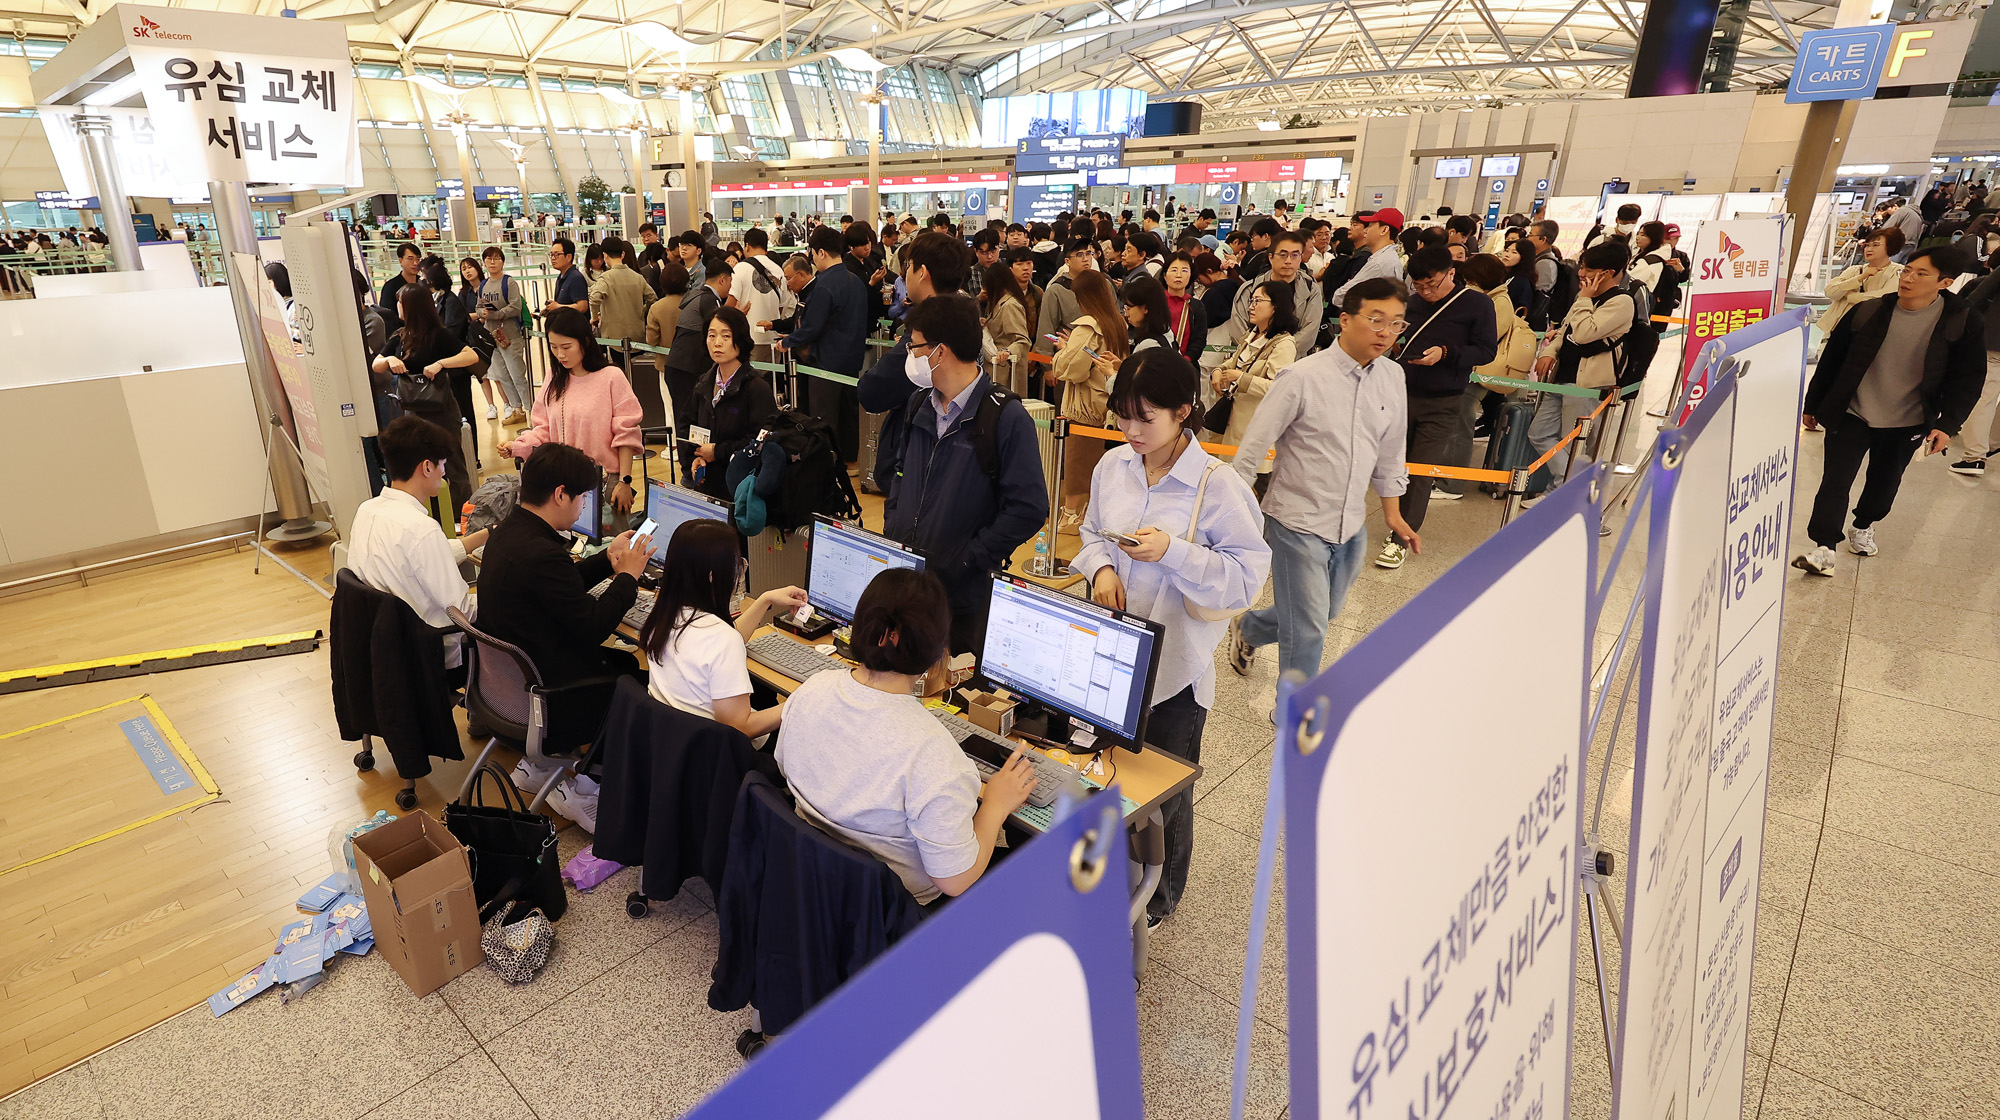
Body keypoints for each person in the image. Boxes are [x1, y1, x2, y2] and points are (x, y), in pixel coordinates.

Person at [1073, 349, 1270, 924]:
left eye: (1147, 417)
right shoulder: (1114, 468)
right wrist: (1102, 568)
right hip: (1109, 648)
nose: (1132, 431)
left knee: (1166, 786)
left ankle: (1160, 894)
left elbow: (1246, 579)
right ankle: (1109, 865)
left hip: (1175, 665)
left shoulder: (1217, 486)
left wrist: (1173, 551)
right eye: (1124, 416)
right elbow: (1090, 532)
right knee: (1105, 762)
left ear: (1183, 412)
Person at [774, 568, 1036, 906]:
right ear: (937, 649)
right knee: (1018, 844)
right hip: (893, 912)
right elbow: (955, 881)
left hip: (810, 884)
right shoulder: (933, 754)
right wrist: (997, 804)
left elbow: (784, 766)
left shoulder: (813, 688)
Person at [1226, 278, 1419, 684]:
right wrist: (1234, 519)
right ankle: (1292, 713)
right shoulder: (1301, 377)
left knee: (1323, 612)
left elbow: (1391, 450)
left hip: (1350, 525)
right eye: (1376, 320)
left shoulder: (1392, 377)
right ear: (1345, 320)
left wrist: (1394, 515)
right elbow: (1252, 448)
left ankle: (1250, 629)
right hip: (1296, 520)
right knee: (1311, 627)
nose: (1386, 332)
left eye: (1397, 323)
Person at [1794, 247, 1986, 574]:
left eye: (1921, 274)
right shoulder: (1868, 312)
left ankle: (1864, 523)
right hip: (1852, 413)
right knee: (1834, 482)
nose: (1908, 278)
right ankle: (1824, 548)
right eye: (1907, 270)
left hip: (1907, 420)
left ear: (1945, 282)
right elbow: (1831, 363)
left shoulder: (1962, 321)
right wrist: (1813, 405)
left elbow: (1968, 378)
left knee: (1884, 483)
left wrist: (1948, 424)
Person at [880, 293, 1049, 654]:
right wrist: (893, 524)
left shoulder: (1004, 417)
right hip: (908, 583)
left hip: (963, 598)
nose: (910, 356)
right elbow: (899, 472)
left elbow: (1029, 507)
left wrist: (970, 558)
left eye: (915, 346)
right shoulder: (917, 405)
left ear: (940, 351)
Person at [477, 442, 652, 689]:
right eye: (583, 497)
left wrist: (607, 558)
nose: (583, 505)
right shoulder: (543, 554)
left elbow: (561, 584)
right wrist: (628, 577)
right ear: (560, 495)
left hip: (517, 677)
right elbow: (594, 627)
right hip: (554, 687)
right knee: (646, 683)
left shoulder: (508, 532)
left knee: (627, 664)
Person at [1375, 246, 1497, 570]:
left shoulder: (1476, 304)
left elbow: (1486, 350)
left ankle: (1401, 538)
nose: (1426, 291)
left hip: (1444, 400)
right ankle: (1396, 519)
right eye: (1419, 285)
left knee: (1419, 470)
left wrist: (1445, 353)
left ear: (1451, 273)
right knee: (1395, 466)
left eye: (1432, 284)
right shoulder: (1412, 303)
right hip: (1402, 396)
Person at [345, 416, 489, 670]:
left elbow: (417, 561)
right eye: (442, 464)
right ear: (427, 467)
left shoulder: (368, 511)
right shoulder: (422, 530)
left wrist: (481, 536)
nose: (444, 472)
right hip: (434, 655)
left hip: (389, 649)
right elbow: (462, 613)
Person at [639, 518, 803, 740]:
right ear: (712, 576)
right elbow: (740, 728)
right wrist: (801, 699)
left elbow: (723, 639)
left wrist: (765, 599)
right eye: (736, 565)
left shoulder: (665, 615)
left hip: (675, 744)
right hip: (716, 757)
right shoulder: (721, 639)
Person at [500, 308, 644, 517]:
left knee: (609, 545)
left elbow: (627, 434)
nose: (560, 354)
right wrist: (517, 447)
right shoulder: (554, 377)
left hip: (604, 482)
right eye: (553, 347)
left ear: (585, 341)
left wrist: (625, 481)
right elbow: (544, 430)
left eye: (566, 347)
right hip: (562, 485)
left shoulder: (611, 377)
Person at [1529, 240, 1636, 484]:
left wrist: (1584, 300)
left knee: (1574, 441)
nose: (1580, 273)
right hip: (1560, 378)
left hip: (1585, 384)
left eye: (1587, 269)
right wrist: (1549, 351)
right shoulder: (1584, 298)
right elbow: (1565, 332)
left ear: (1607, 273)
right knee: (1539, 434)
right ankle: (1563, 487)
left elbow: (1584, 333)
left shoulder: (1621, 301)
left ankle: (1562, 492)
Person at [373, 285, 480, 506]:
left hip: (441, 410)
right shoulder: (400, 336)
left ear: (412, 306)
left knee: (451, 463)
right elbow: (377, 365)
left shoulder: (438, 335)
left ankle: (463, 511)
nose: (397, 307)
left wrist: (441, 363)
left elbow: (471, 356)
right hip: (413, 410)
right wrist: (390, 360)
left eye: (400, 302)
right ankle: (429, 511)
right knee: (418, 463)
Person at [778, 227, 870, 462]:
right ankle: (850, 460)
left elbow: (812, 327)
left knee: (824, 417)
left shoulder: (823, 284)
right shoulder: (857, 281)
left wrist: (788, 342)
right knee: (849, 415)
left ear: (820, 252)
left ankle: (826, 463)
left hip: (826, 363)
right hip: (852, 361)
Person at [1053, 270, 1129, 524]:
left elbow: (1070, 368)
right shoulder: (1117, 321)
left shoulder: (1088, 326)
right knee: (1101, 465)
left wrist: (1062, 353)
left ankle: (1070, 514)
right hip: (1108, 401)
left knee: (1076, 461)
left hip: (1085, 406)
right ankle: (1089, 513)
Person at [682, 306, 780, 502]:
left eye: (726, 336)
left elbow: (761, 440)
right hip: (706, 483)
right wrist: (694, 458)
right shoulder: (704, 382)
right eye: (711, 335)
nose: (717, 343)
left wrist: (717, 451)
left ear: (741, 339)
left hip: (741, 489)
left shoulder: (756, 388)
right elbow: (686, 424)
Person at [1210, 280, 1300, 485]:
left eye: (1258, 300)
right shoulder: (1250, 336)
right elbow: (1231, 364)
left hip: (1257, 430)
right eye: (1251, 300)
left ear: (1276, 306)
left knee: (1253, 493)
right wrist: (1217, 372)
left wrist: (1241, 379)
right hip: (1232, 426)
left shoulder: (1283, 344)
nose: (1251, 306)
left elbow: (1279, 388)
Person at [663, 249, 734, 441]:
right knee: (689, 417)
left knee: (684, 415)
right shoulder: (709, 300)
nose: (730, 288)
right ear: (722, 280)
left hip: (678, 366)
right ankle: (690, 462)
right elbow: (718, 331)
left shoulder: (695, 295)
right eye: (730, 282)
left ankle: (689, 459)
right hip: (687, 367)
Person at [1229, 228, 1322, 355]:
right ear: (1271, 257)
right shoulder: (1250, 289)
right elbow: (1238, 329)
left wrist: (1281, 353)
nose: (1288, 261)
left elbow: (1309, 330)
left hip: (1293, 360)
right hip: (1251, 359)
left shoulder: (1311, 290)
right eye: (1283, 255)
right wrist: (1260, 353)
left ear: (1301, 258)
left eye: (1295, 255)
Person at [1950, 263, 2000, 475]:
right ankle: (1994, 442)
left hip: (1997, 342)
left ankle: (1975, 456)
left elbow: (1980, 293)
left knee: (1984, 395)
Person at [474, 246, 533, 427]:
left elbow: (515, 307)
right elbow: (477, 307)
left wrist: (495, 314)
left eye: (496, 258)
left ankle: (533, 411)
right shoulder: (483, 285)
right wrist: (483, 313)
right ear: (483, 262)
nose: (492, 262)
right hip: (492, 338)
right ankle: (517, 410)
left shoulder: (509, 283)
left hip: (511, 336)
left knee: (517, 375)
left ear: (502, 261)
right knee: (503, 376)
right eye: (489, 259)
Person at [1819, 228, 1906, 336]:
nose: (1869, 249)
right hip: (1836, 328)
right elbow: (1830, 292)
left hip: (1869, 331)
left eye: (1875, 245)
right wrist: (1860, 278)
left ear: (1890, 247)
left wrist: (1850, 296)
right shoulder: (1854, 270)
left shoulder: (1898, 271)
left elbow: (1884, 298)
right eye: (1867, 245)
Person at [1031, 238, 1102, 359]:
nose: (1085, 259)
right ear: (1067, 261)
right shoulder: (1057, 290)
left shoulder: (1103, 284)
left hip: (1100, 354)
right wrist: (1047, 364)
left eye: (1088, 253)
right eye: (1079, 255)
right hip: (1068, 357)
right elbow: (1046, 328)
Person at [732, 227, 791, 365]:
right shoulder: (778, 269)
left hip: (748, 338)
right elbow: (782, 306)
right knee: (772, 382)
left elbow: (731, 303)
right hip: (773, 339)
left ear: (747, 246)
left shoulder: (740, 268)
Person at [588, 237, 656, 353]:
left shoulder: (606, 277)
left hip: (614, 337)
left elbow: (594, 299)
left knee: (619, 369)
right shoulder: (637, 277)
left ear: (605, 255)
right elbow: (652, 298)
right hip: (637, 335)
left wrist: (595, 317)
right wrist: (643, 311)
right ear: (622, 254)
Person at [1332, 209, 1407, 307]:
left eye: (1370, 226)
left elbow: (1340, 297)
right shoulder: (1388, 257)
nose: (1365, 230)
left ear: (1384, 230)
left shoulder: (1379, 263)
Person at [982, 261, 1033, 396]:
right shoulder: (997, 303)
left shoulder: (1010, 305)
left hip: (1007, 373)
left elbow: (1022, 340)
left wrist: (1007, 351)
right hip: (996, 369)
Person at [1160, 251, 1210, 366]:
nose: (1179, 275)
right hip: (1157, 365)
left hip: (1186, 366)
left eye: (1184, 270)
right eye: (1174, 270)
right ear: (1164, 275)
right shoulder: (1156, 302)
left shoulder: (1196, 306)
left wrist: (1185, 360)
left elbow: (1199, 339)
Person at [378, 242, 423, 336]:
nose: (415, 263)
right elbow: (388, 317)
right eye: (410, 259)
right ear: (400, 260)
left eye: (418, 259)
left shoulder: (423, 284)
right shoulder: (390, 287)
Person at [645, 260, 689, 348]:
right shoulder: (692, 303)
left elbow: (651, 340)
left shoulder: (656, 308)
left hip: (664, 358)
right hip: (689, 358)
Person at [545, 238, 589, 317]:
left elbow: (582, 307)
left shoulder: (575, 278)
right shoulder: (561, 277)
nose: (553, 258)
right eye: (551, 254)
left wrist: (558, 307)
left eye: (557, 254)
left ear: (569, 257)